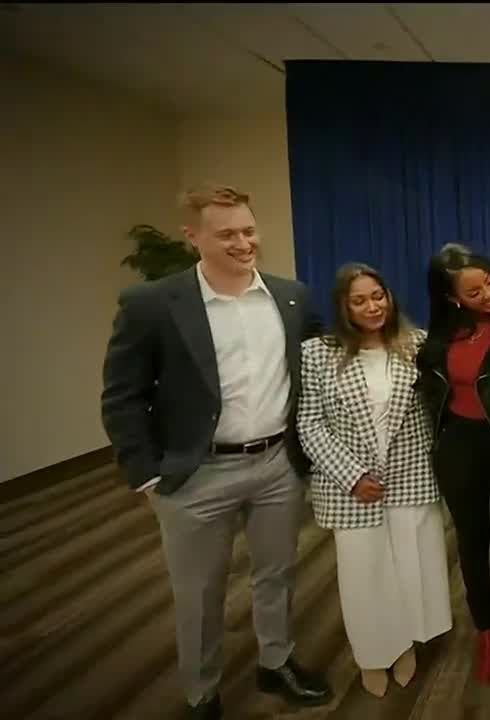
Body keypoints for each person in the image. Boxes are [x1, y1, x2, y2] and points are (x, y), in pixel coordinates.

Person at [100, 184, 332, 719]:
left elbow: (323, 360)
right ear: (194, 237)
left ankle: (276, 662)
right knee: (199, 593)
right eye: (226, 234)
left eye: (248, 230)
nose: (243, 243)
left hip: (277, 466)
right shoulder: (152, 305)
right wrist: (147, 475)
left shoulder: (292, 297)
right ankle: (201, 692)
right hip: (197, 474)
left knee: (277, 574)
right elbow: (122, 396)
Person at [297, 263, 453, 699]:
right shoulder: (317, 354)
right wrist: (351, 476)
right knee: (364, 575)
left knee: (411, 567)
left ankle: (405, 645)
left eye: (378, 296)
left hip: (410, 477)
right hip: (349, 486)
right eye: (360, 300)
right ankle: (372, 654)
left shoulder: (416, 345)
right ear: (344, 307)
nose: (372, 307)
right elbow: (309, 423)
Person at [415, 243, 490, 701]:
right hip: (458, 448)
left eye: (489, 281)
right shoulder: (438, 339)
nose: (488, 293)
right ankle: (487, 633)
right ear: (451, 298)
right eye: (473, 290)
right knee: (470, 544)